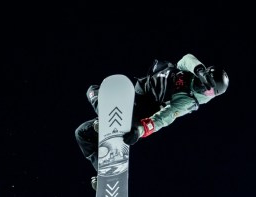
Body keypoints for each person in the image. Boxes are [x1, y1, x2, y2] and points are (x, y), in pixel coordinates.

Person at [75, 54, 229, 190]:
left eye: (211, 93)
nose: (206, 93)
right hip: (137, 93)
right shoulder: (192, 70)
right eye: (209, 89)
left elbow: (164, 118)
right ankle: (106, 175)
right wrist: (199, 70)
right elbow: (186, 59)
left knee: (102, 103)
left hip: (142, 112)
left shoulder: (189, 101)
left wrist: (139, 131)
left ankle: (110, 123)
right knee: (82, 132)